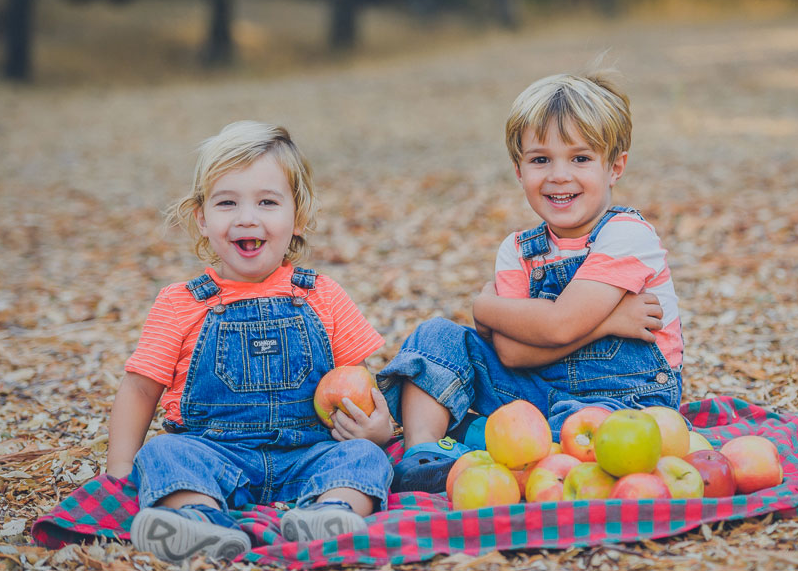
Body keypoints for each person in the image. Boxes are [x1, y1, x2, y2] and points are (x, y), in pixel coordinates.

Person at [378, 72, 683, 493]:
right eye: (540, 160)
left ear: (615, 167)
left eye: (580, 159)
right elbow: (511, 351)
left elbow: (559, 325)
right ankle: (424, 453)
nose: (559, 175)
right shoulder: (519, 250)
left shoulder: (626, 235)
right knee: (435, 337)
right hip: (535, 387)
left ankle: (478, 436)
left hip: (623, 397)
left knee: (590, 433)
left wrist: (485, 308)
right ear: (519, 170)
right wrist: (609, 321)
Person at [106, 121, 394, 562]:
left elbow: (358, 379)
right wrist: (120, 471)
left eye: (266, 202)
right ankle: (199, 522)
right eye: (227, 203)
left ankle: (330, 514)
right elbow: (140, 389)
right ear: (202, 219)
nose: (246, 217)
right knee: (164, 452)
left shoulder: (321, 294)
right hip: (214, 454)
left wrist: (378, 428)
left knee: (364, 459)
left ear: (296, 217)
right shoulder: (180, 303)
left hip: (309, 452)